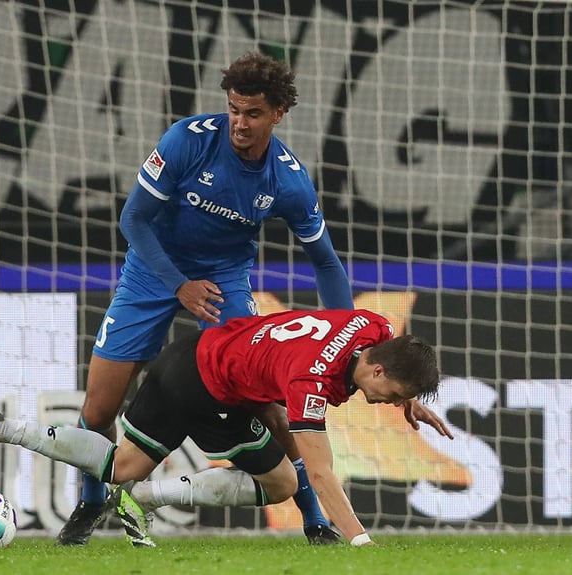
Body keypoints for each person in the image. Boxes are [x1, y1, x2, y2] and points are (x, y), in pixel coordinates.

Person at [63, 51, 359, 546]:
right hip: (153, 270)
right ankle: (92, 504)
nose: (240, 124)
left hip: (224, 281)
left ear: (279, 113)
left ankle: (313, 517)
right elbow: (133, 220)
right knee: (98, 408)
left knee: (266, 399)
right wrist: (179, 284)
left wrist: (345, 334)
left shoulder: (287, 180)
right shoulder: (186, 140)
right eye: (234, 110)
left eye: (254, 114)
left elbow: (326, 262)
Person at [0, 308, 454, 547]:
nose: (389, 402)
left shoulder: (375, 328)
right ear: (378, 369)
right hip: (215, 393)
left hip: (187, 357)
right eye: (394, 394)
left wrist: (406, 404)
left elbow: (385, 365)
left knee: (120, 464)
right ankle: (150, 498)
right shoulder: (310, 382)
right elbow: (322, 471)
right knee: (287, 483)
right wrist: (361, 542)